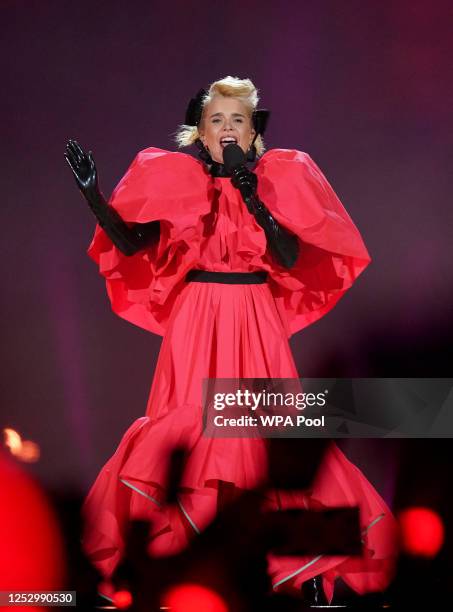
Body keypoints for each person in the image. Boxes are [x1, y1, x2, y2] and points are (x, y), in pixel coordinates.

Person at [65, 76, 398, 604]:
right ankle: (178, 565)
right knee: (191, 431)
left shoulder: (275, 179)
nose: (226, 128)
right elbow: (131, 243)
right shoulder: (176, 184)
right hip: (197, 318)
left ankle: (307, 568)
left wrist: (251, 194)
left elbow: (288, 257)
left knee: (269, 435)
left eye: (237, 119)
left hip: (253, 313)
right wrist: (94, 198)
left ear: (253, 131)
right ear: (199, 130)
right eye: (216, 119)